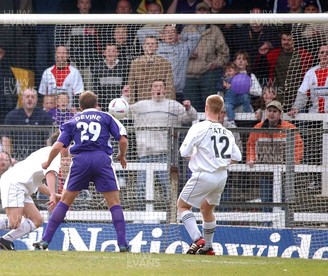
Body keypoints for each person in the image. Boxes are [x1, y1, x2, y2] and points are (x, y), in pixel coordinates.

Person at [33, 91, 129, 252]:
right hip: (102, 159)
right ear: (96, 104)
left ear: (80, 106)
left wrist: (47, 162)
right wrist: (122, 156)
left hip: (80, 161)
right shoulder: (106, 117)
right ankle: (123, 244)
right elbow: (123, 139)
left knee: (64, 202)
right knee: (114, 203)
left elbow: (58, 146)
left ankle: (45, 241)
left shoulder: (73, 121)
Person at [177, 95, 242, 255]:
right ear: (221, 111)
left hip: (204, 174)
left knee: (183, 206)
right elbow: (238, 157)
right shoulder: (227, 132)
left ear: (206, 107)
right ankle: (208, 247)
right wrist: (221, 162)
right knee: (207, 210)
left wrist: (193, 154)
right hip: (221, 177)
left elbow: (184, 151)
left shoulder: (199, 127)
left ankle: (197, 238)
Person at [0, 132, 63, 250]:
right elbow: (50, 173)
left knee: (36, 220)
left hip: (20, 185)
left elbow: (38, 183)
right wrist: (52, 194)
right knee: (14, 222)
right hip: (16, 183)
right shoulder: (55, 154)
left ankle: (5, 241)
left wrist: (55, 195)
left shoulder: (44, 152)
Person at [125, 80, 197, 207]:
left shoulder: (173, 105)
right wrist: (124, 96)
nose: (158, 89)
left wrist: (188, 108)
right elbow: (122, 111)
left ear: (165, 90)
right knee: (141, 188)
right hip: (145, 155)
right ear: (151, 90)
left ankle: (171, 215)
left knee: (168, 189)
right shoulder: (141, 105)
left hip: (165, 154)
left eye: (161, 86)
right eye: (155, 86)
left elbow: (191, 117)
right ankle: (140, 217)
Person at [247, 101, 303, 204]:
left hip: (283, 173)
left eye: (275, 111)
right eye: (269, 111)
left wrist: (295, 160)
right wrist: (251, 158)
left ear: (280, 113)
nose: (271, 113)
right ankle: (267, 220)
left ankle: (280, 220)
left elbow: (298, 145)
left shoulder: (289, 128)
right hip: (265, 172)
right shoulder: (258, 128)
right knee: (266, 202)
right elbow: (251, 144)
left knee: (282, 201)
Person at [288, 44, 328, 116]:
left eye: (327, 53)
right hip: (314, 115)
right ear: (318, 55)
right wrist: (296, 108)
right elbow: (303, 93)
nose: (325, 55)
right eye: (322, 52)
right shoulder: (310, 72)